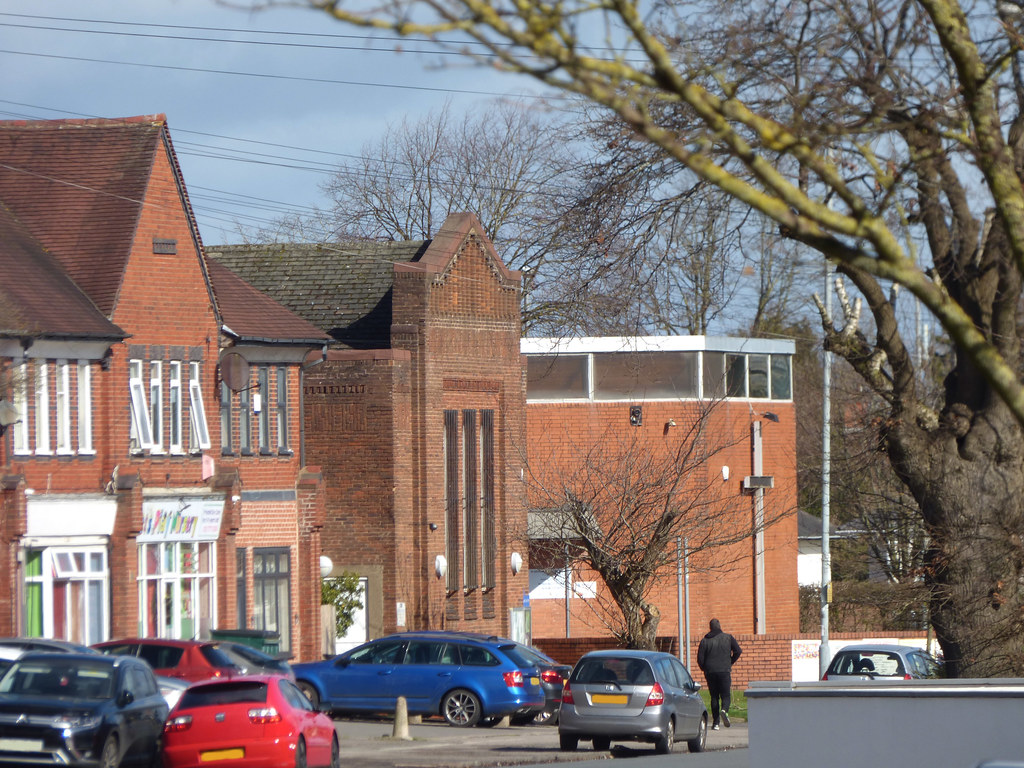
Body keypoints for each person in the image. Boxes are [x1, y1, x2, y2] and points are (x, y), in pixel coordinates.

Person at [697, 618, 742, 731]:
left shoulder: (704, 641)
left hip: (710, 672)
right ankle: (724, 710)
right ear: (720, 626)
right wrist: (730, 662)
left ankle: (715, 723)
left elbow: (700, 659)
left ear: (710, 627)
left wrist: (705, 668)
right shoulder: (728, 638)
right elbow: (738, 651)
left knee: (714, 696)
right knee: (725, 695)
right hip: (724, 670)